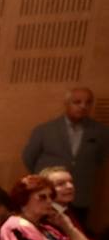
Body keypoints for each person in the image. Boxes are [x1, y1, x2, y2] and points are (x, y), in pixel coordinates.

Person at [23, 88, 106, 224]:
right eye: (77, 102)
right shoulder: (45, 130)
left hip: (80, 196)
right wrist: (44, 179)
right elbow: (28, 157)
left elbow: (100, 160)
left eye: (88, 102)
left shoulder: (101, 132)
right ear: (66, 104)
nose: (83, 106)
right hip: (47, 196)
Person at [0, 175, 93, 240]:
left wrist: (68, 227)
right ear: (23, 199)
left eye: (50, 197)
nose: (49, 201)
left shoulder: (47, 228)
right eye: (42, 197)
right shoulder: (14, 225)